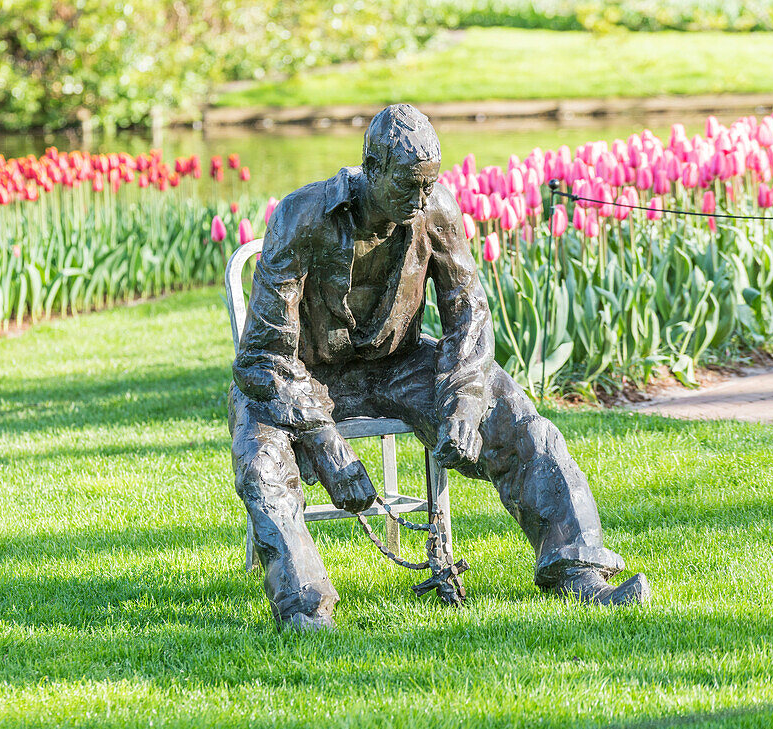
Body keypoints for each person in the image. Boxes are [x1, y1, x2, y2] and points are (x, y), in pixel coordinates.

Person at [228, 104, 650, 631]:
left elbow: (469, 313)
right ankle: (304, 607)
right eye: (408, 186)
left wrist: (465, 403)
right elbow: (263, 355)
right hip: (299, 377)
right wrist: (327, 446)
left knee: (517, 416)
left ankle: (579, 571)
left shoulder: (434, 213)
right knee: (261, 460)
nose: (421, 200)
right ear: (372, 166)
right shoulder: (302, 216)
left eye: (429, 185)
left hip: (398, 364)